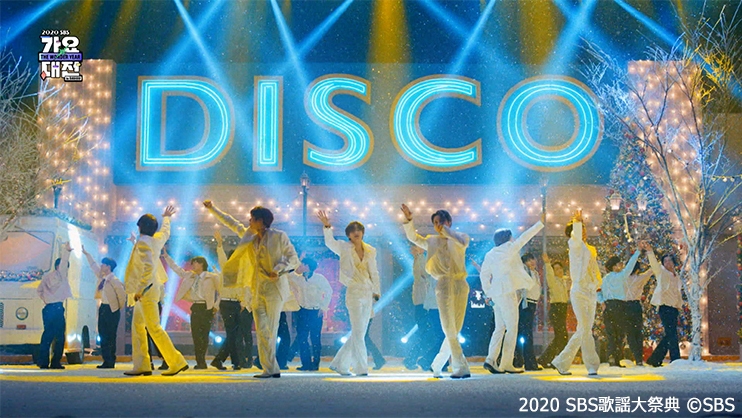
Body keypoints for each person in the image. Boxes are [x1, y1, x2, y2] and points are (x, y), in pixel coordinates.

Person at [205, 200, 299, 378]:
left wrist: (278, 270)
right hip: (256, 289)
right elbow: (232, 223)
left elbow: (293, 258)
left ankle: (271, 368)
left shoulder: (279, 236)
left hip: (275, 288)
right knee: (262, 330)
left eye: (252, 219)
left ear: (261, 221)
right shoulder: (249, 236)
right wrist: (212, 209)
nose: (249, 221)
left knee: (271, 329)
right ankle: (269, 368)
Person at [402, 204, 470, 379]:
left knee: (455, 328)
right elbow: (413, 237)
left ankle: (437, 364)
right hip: (443, 284)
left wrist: (445, 230)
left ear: (449, 222)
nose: (438, 225)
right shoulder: (431, 240)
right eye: (435, 223)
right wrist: (409, 221)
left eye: (441, 222)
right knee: (448, 328)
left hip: (461, 284)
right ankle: (460, 366)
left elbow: (462, 242)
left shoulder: (461, 237)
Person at [124, 206, 188, 376]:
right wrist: (167, 218)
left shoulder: (143, 242)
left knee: (153, 328)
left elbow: (148, 267)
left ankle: (176, 361)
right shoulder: (156, 240)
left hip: (146, 291)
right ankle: (142, 364)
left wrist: (140, 289)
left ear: (140, 227)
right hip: (149, 289)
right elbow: (165, 232)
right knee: (138, 327)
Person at [318, 210, 380, 377]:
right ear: (349, 235)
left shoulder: (370, 250)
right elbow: (329, 243)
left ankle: (339, 364)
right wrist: (327, 227)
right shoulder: (344, 248)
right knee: (358, 332)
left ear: (363, 232)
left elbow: (374, 272)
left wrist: (377, 291)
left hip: (367, 293)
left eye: (358, 230)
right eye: (352, 231)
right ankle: (361, 368)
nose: (356, 232)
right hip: (353, 292)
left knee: (359, 333)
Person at [480, 218, 543, 374]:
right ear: (507, 238)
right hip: (507, 291)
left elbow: (484, 275)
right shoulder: (509, 248)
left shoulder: (490, 254)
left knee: (499, 328)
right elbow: (525, 237)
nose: (513, 239)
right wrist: (539, 224)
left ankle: (491, 359)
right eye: (511, 236)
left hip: (496, 294)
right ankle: (506, 363)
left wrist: (488, 293)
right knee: (512, 328)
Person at [551, 210, 602, 376]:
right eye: (580, 229)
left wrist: (597, 285)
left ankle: (561, 362)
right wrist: (578, 223)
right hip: (579, 290)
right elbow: (577, 239)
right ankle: (591, 365)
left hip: (590, 292)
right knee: (585, 328)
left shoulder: (589, 249)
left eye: (584, 228)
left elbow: (594, 268)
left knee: (584, 329)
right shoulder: (574, 245)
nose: (583, 231)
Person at [164, 252, 220, 370]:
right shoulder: (190, 275)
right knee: (196, 335)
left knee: (204, 335)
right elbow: (177, 270)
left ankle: (202, 360)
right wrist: (167, 257)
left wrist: (216, 306)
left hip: (207, 308)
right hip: (195, 307)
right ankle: (200, 361)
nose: (193, 266)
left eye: (195, 263)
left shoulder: (212, 277)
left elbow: (222, 291)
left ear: (201, 264)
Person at [81, 246, 126, 369]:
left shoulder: (114, 280)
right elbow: (93, 266)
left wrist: (117, 308)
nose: (101, 266)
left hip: (112, 309)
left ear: (108, 267)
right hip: (103, 308)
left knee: (110, 336)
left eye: (104, 264)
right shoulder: (102, 278)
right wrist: (87, 254)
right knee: (103, 335)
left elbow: (122, 296)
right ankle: (106, 360)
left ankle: (110, 360)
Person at [599, 248, 641, 367]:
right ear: (614, 267)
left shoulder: (604, 279)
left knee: (611, 334)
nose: (622, 265)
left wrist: (602, 302)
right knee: (619, 334)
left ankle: (611, 357)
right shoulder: (621, 276)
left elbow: (598, 291)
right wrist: (637, 251)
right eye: (619, 264)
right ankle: (616, 358)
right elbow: (630, 266)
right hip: (619, 306)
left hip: (608, 306)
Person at [644, 241, 683, 367]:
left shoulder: (676, 276)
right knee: (672, 334)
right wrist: (650, 251)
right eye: (665, 261)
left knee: (670, 334)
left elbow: (677, 293)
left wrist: (679, 306)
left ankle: (655, 359)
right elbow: (654, 264)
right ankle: (675, 359)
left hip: (674, 308)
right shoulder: (662, 273)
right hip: (664, 307)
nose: (667, 263)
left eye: (670, 261)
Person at [290, 257, 333, 371]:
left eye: (302, 264)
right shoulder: (298, 278)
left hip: (315, 311)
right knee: (302, 338)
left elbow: (329, 291)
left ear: (307, 266)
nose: (300, 266)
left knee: (315, 338)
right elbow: (287, 275)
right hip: (302, 311)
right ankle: (306, 363)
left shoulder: (319, 278)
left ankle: (315, 363)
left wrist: (323, 307)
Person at [37, 242, 72, 369]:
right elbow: (64, 263)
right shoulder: (61, 276)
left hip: (47, 308)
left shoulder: (46, 277)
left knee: (47, 336)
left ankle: (43, 362)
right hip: (57, 308)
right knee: (59, 337)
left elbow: (39, 291)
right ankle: (55, 362)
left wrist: (47, 299)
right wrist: (67, 251)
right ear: (59, 266)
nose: (66, 270)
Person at [212, 232, 245, 370]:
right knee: (232, 334)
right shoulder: (226, 268)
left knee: (234, 335)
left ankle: (219, 359)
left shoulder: (242, 272)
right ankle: (236, 362)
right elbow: (221, 257)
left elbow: (243, 289)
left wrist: (242, 303)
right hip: (226, 303)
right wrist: (220, 244)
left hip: (236, 304)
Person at [537, 254, 570, 368]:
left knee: (561, 337)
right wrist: (547, 263)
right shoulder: (553, 280)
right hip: (556, 309)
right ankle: (556, 360)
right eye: (556, 269)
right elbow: (549, 274)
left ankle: (550, 359)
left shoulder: (563, 281)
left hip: (563, 308)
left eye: (560, 268)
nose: (559, 270)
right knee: (562, 336)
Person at [404, 246, 434, 370]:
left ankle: (417, 359)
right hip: (424, 304)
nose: (411, 249)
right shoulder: (420, 259)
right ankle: (415, 359)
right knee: (429, 335)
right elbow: (424, 275)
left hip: (423, 303)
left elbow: (423, 276)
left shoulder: (420, 259)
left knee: (428, 335)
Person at [513, 252, 542, 371]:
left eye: (533, 259)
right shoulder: (524, 271)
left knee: (523, 333)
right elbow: (525, 287)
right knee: (526, 334)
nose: (532, 262)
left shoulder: (535, 273)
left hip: (531, 304)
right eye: (529, 260)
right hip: (525, 304)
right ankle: (528, 362)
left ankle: (519, 360)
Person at [623, 259, 654, 366]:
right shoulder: (640, 278)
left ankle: (635, 355)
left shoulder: (623, 278)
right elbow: (650, 272)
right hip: (636, 306)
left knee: (630, 333)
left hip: (625, 306)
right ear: (637, 269)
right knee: (638, 333)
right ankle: (639, 359)